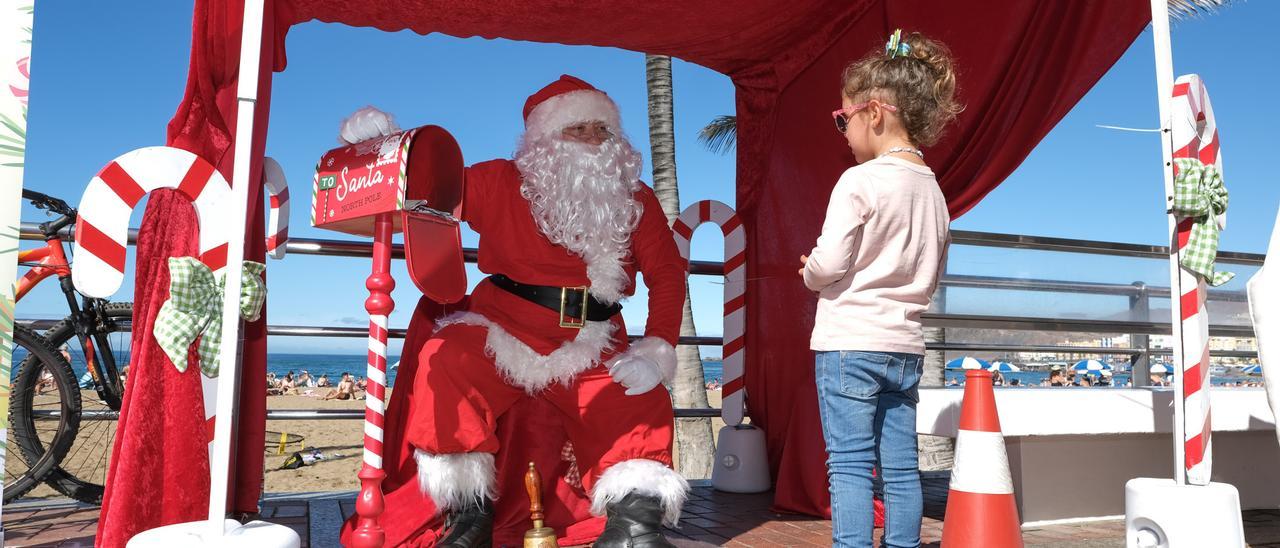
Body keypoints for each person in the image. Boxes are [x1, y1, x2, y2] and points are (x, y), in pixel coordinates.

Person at [340, 74, 689, 547]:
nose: (592, 140)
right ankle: (468, 521)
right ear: (544, 139)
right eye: (577, 129)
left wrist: (657, 345)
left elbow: (667, 274)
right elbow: (425, 188)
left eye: (601, 130)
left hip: (593, 338)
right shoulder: (499, 180)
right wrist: (381, 148)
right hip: (502, 327)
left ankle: (633, 530)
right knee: (447, 358)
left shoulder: (637, 199)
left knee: (638, 396)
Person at [801, 30, 960, 548]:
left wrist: (809, 271)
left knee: (848, 466)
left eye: (842, 119)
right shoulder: (933, 190)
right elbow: (931, 270)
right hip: (904, 347)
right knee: (900, 468)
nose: (842, 132)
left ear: (875, 113)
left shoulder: (859, 180)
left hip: (849, 343)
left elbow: (828, 265)